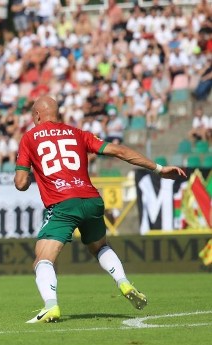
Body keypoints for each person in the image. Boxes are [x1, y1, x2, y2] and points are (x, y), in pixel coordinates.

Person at [14, 96, 186, 323]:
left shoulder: (29, 138)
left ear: (37, 115)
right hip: (92, 200)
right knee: (100, 247)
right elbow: (120, 151)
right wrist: (159, 168)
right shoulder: (78, 133)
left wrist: (29, 176)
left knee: (42, 259)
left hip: (63, 203)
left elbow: (20, 183)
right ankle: (124, 282)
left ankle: (51, 306)